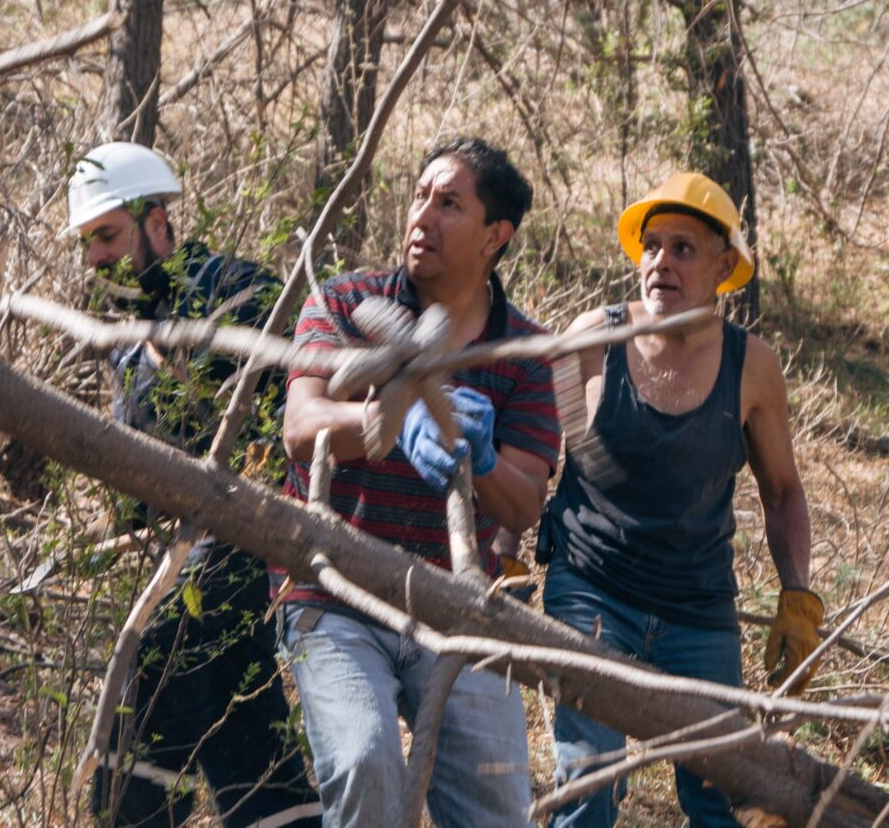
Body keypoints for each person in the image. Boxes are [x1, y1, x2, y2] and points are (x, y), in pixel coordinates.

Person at [274, 137, 560, 828]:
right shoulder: (345, 302)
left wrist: (484, 462)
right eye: (420, 196)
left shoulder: (522, 352)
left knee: (498, 803)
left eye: (449, 203)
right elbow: (300, 422)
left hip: (458, 609)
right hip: (335, 591)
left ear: (497, 235)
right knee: (366, 759)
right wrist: (389, 420)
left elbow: (525, 499)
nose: (422, 216)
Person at [537, 172, 823, 828]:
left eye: (683, 248)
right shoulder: (594, 337)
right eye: (652, 246)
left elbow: (782, 492)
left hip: (697, 606)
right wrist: (502, 542)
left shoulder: (752, 366)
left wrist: (798, 596)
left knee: (720, 795)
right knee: (589, 789)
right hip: (592, 588)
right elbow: (532, 452)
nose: (661, 261)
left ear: (726, 265)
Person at [65, 142, 322, 828]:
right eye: (89, 243)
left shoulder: (236, 290)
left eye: (109, 236)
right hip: (180, 560)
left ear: (157, 222)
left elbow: (293, 416)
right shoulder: (127, 340)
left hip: (257, 548)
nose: (96, 257)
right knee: (245, 721)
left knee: (155, 669)